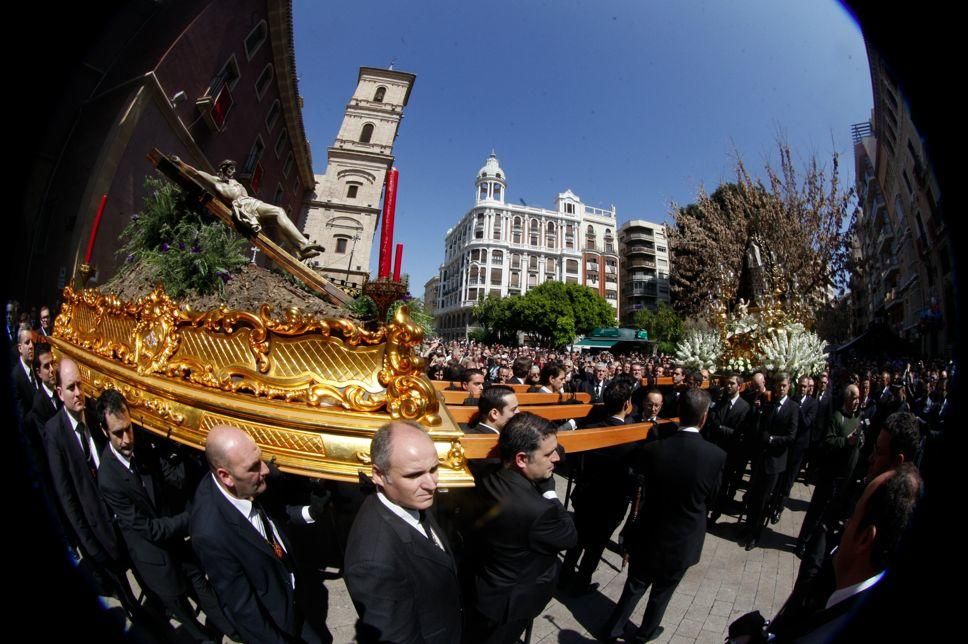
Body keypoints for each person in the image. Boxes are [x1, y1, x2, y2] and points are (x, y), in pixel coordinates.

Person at [96, 389, 234, 642]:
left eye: (128, 428)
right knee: (186, 615)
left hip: (177, 544)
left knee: (206, 592)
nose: (127, 439)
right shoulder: (108, 479)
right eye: (118, 433)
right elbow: (148, 529)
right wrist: (190, 518)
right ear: (105, 432)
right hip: (155, 560)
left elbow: (174, 479)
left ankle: (236, 631)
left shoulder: (142, 448)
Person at [602, 388, 726, 643]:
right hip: (684, 536)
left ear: (678, 414)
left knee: (635, 585)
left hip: (650, 529)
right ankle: (645, 632)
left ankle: (612, 628)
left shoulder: (655, 449)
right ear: (704, 418)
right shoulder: (716, 456)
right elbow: (713, 497)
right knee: (663, 591)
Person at [190, 425, 324, 643]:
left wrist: (311, 512)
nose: (266, 470)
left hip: (297, 598)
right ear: (226, 476)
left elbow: (277, 514)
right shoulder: (211, 533)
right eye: (254, 467)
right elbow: (244, 610)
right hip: (279, 625)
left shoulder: (247, 481)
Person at [343, 421, 461, 643]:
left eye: (434, 469)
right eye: (414, 475)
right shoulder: (374, 562)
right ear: (378, 474)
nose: (431, 483)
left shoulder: (409, 498)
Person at [468, 412, 577, 644]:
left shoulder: (486, 475)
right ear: (521, 459)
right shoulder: (539, 510)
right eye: (548, 454)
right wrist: (550, 493)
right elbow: (569, 537)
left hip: (484, 585)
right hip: (513, 603)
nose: (556, 459)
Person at [561, 379, 637, 593]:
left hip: (586, 495)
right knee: (596, 545)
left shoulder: (590, 429)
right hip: (611, 501)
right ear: (627, 404)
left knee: (578, 538)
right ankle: (582, 582)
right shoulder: (632, 437)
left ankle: (565, 575)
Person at [177, 157, 324, 260]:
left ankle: (300, 249)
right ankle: (301, 247)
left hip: (250, 203)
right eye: (230, 169)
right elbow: (195, 173)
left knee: (278, 215)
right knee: (277, 216)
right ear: (224, 169)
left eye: (234, 169)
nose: (233, 172)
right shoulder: (215, 182)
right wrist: (180, 163)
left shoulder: (237, 184)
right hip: (241, 208)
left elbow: (246, 198)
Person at [741, 372, 798, 551]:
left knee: (764, 499)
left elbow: (791, 436)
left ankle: (755, 533)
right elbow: (761, 427)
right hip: (761, 458)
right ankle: (748, 527)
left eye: (784, 386)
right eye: (778, 386)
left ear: (789, 387)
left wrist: (772, 439)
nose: (780, 389)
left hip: (775, 461)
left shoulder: (793, 408)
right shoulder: (769, 403)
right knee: (753, 495)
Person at [11, 326, 37, 418]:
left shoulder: (38, 367)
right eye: (27, 343)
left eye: (32, 342)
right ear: (20, 348)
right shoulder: (15, 377)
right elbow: (22, 416)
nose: (31, 346)